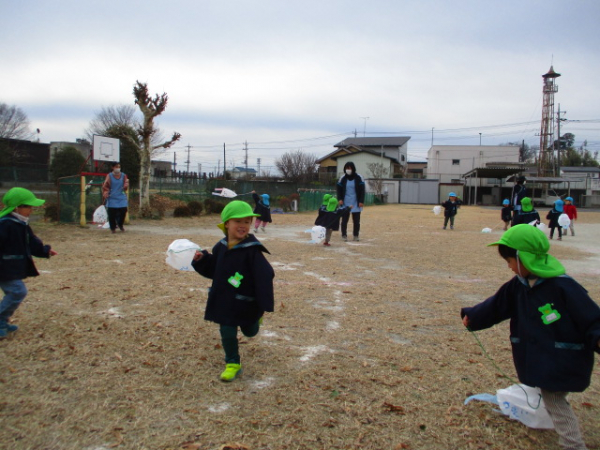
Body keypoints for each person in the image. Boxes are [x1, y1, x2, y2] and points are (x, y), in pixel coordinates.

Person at [461, 224, 600, 450]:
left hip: (562, 358)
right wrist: (474, 316)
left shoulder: (564, 287)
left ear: (524, 257)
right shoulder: (519, 285)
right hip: (542, 357)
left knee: (555, 399)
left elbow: (591, 318)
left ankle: (573, 445)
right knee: (550, 396)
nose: (509, 267)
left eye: (510, 261)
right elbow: (496, 306)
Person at [191, 201, 274, 382]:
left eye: (246, 222)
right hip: (224, 299)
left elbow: (266, 275)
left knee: (250, 331)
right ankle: (232, 362)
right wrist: (202, 260)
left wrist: (262, 303)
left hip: (246, 300)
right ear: (227, 223)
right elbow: (215, 269)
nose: (243, 226)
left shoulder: (252, 250)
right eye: (238, 221)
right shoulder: (220, 247)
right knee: (227, 330)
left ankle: (255, 320)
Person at [0, 188, 58, 339]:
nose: (31, 210)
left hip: (12, 268)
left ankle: (3, 321)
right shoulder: (5, 225)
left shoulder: (22, 224)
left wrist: (45, 251)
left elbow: (32, 243)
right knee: (18, 291)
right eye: (28, 207)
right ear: (17, 207)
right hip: (4, 268)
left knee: (14, 293)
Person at [336, 161, 365, 242]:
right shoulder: (342, 178)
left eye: (349, 168)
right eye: (346, 168)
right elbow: (339, 190)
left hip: (356, 202)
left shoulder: (359, 177)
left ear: (353, 168)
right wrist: (340, 199)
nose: (348, 170)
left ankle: (356, 235)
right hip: (345, 202)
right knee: (344, 220)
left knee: (356, 221)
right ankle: (344, 235)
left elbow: (362, 190)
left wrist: (361, 201)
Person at [102, 162, 129, 233]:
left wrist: (126, 185)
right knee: (112, 213)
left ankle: (120, 224)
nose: (118, 168)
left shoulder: (123, 175)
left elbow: (126, 182)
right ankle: (113, 228)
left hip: (121, 196)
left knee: (123, 210)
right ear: (113, 167)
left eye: (119, 167)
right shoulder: (109, 176)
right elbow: (106, 186)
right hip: (112, 197)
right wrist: (106, 193)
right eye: (116, 166)